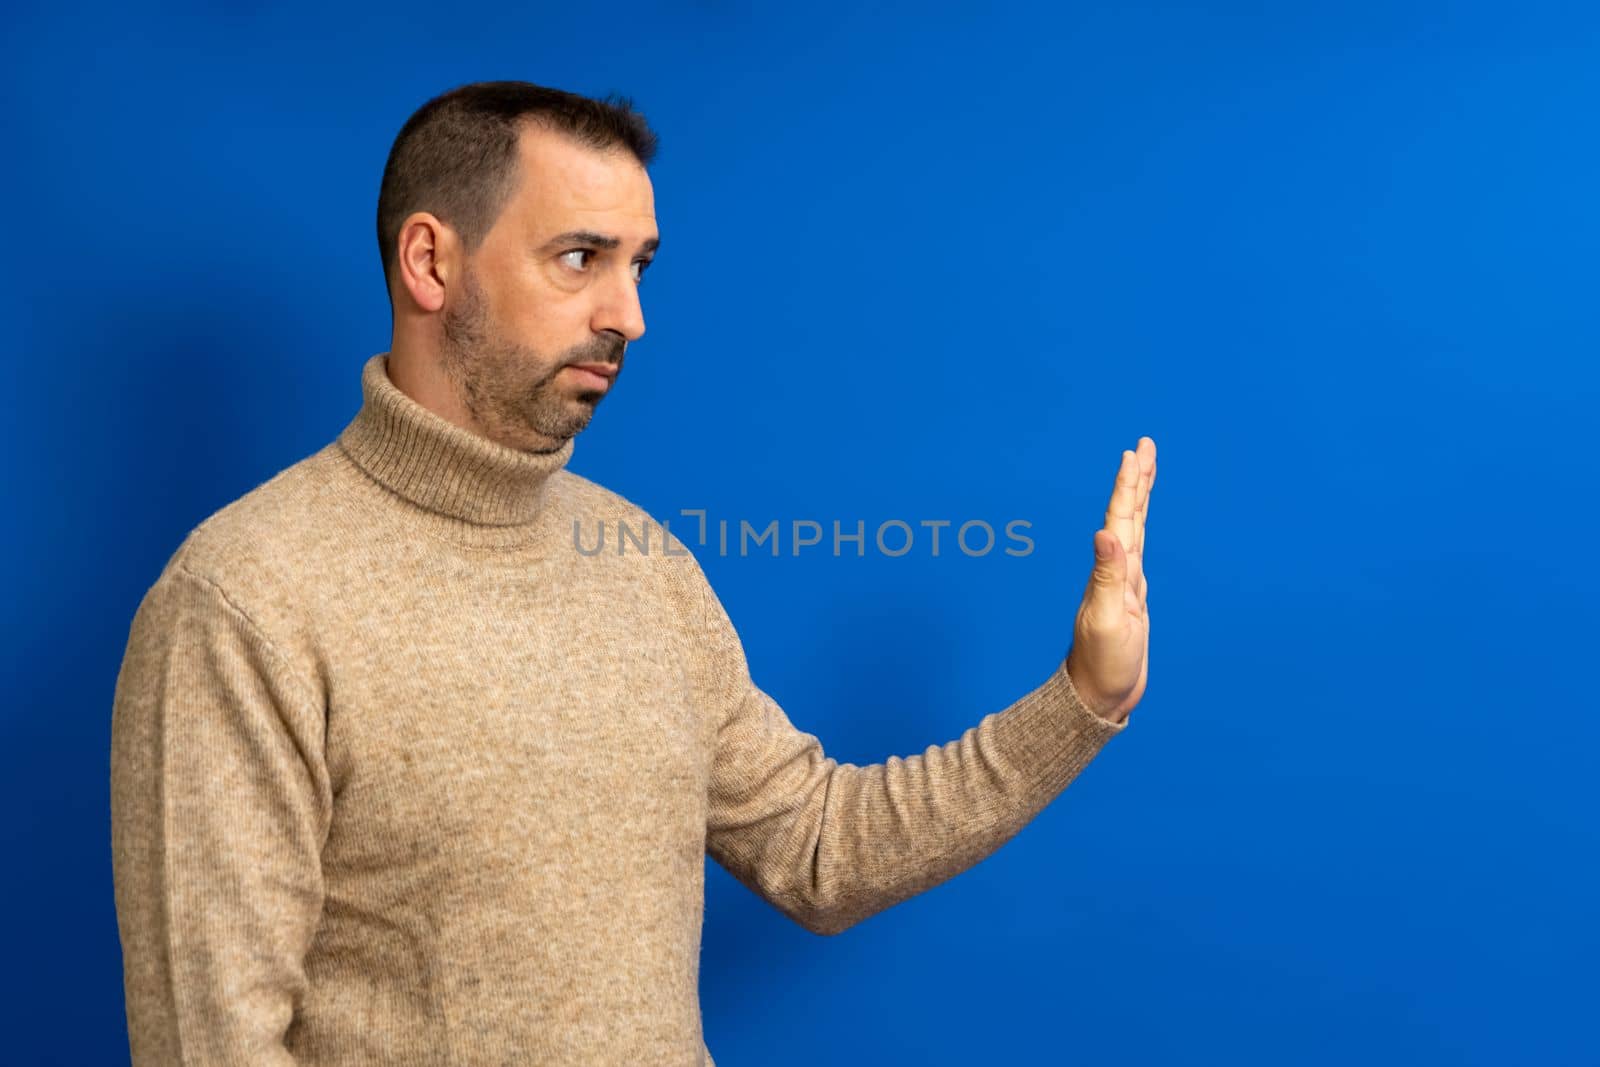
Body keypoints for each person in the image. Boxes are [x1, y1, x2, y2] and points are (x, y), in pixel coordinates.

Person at [109, 80, 1157, 1066]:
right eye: (580, 258)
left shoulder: (642, 563)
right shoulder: (243, 598)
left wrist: (1082, 697)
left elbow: (820, 848)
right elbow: (214, 1039)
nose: (629, 314)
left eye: (639, 265)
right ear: (430, 263)